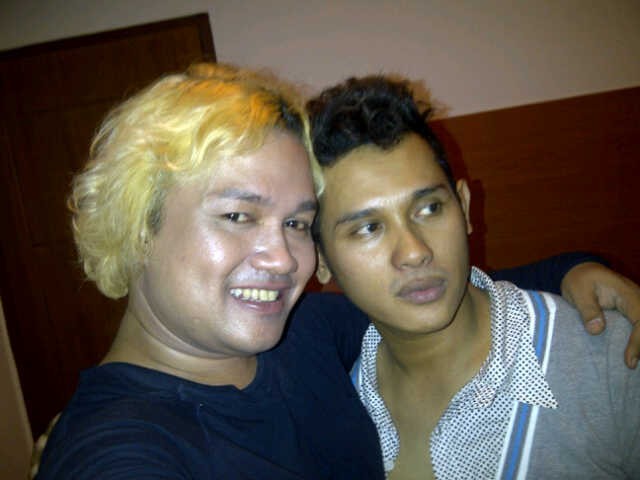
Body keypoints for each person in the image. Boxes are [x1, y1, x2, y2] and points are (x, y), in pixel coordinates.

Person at [35, 63, 639, 479]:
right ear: (139, 225)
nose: (282, 260)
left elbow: (435, 292)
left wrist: (576, 270)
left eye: (297, 223)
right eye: (239, 215)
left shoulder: (305, 333)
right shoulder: (116, 449)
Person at [308, 76, 640, 479]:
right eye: (368, 228)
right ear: (320, 259)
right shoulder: (337, 408)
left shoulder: (612, 359)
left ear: (464, 207)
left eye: (429, 208)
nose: (414, 251)